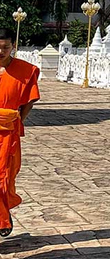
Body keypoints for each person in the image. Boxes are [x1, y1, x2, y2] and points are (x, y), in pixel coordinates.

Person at [0, 28, 40, 237]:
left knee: (4, 177)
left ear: (12, 47)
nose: (1, 51)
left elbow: (30, 99)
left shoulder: (24, 70)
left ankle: (2, 217)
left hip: (8, 132)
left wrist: (18, 121)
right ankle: (2, 218)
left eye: (5, 47)